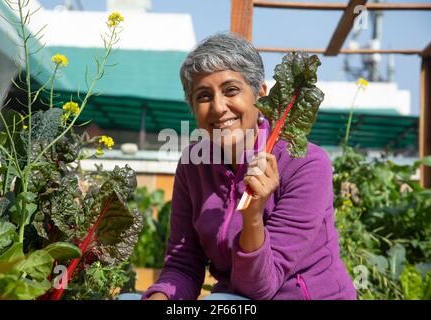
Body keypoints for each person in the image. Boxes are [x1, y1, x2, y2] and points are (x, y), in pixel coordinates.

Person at [136, 33, 356, 300]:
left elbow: (262, 287)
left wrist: (253, 216)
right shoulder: (192, 165)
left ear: (260, 94)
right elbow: (183, 264)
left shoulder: (306, 164)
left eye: (231, 90)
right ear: (192, 107)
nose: (218, 108)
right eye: (203, 96)